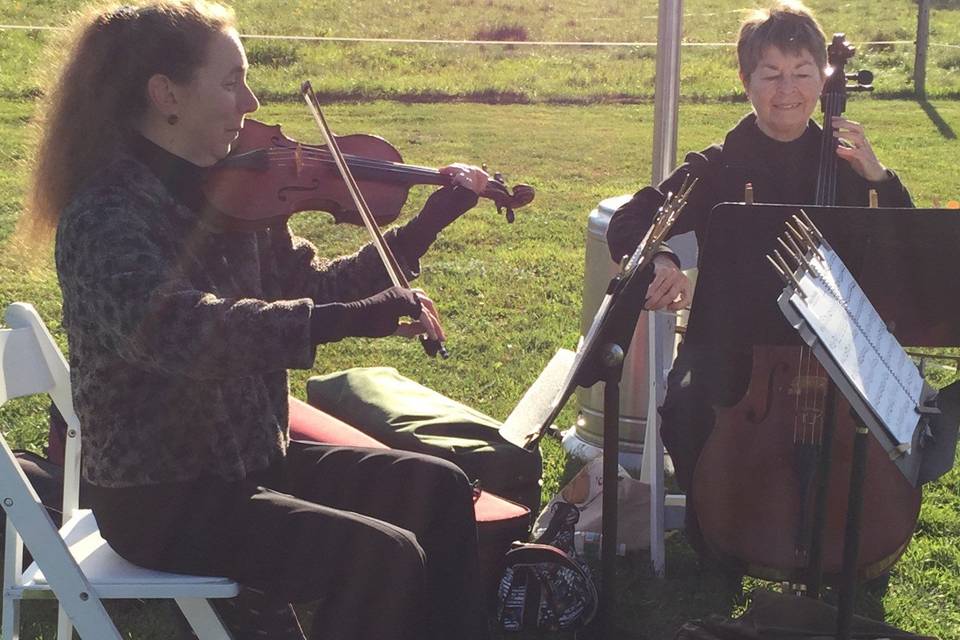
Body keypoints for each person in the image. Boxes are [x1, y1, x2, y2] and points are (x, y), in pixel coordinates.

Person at [25, 2, 493, 638]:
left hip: (251, 461)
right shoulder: (106, 215)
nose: (249, 101)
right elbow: (180, 331)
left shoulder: (232, 195)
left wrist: (431, 219)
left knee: (437, 488)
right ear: (166, 93)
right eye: (230, 81)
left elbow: (318, 285)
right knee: (381, 556)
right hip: (162, 497)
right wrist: (347, 321)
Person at [606, 1, 912, 559]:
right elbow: (633, 219)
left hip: (834, 348)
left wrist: (879, 176)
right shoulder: (721, 164)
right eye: (771, 74)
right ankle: (720, 534)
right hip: (730, 345)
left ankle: (848, 539)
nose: (787, 90)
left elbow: (905, 246)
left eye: (802, 73)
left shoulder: (846, 165)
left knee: (894, 419)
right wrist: (664, 262)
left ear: (823, 78)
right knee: (690, 407)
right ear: (746, 81)